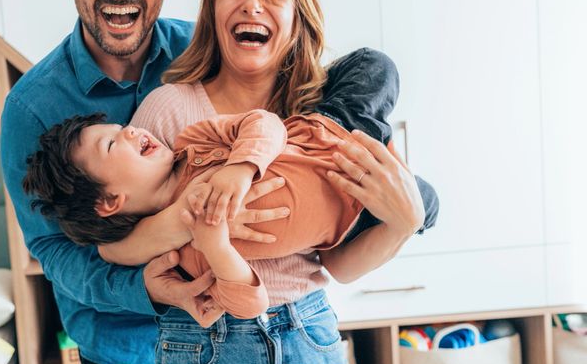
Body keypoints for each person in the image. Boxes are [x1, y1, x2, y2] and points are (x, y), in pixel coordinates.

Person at [0, 0, 436, 364]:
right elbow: (59, 248)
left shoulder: (210, 51)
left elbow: (329, 254)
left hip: (303, 332)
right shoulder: (39, 107)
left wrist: (400, 215)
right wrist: (183, 243)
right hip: (148, 344)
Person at [23, 104, 398, 321]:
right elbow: (251, 305)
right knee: (425, 202)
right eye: (111, 143)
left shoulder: (193, 143)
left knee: (373, 67)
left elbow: (263, 121)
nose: (132, 130)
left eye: (122, 127)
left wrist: (240, 166)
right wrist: (217, 247)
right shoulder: (191, 255)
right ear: (109, 202)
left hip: (331, 131)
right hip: (355, 216)